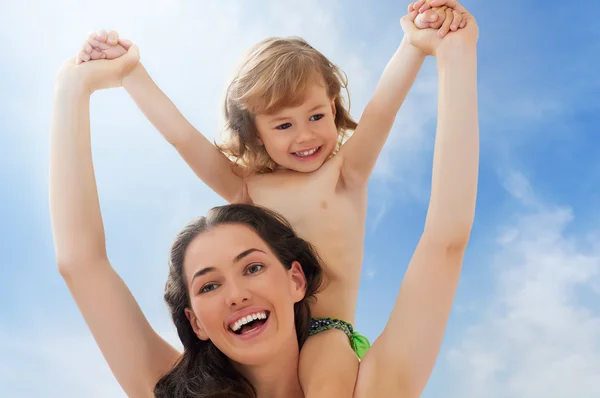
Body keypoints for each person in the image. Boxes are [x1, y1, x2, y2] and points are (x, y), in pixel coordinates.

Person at [50, 0, 479, 396]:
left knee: (326, 367)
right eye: (210, 284)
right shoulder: (248, 189)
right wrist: (127, 75)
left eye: (253, 266)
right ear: (194, 321)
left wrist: (418, 46)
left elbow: (385, 114)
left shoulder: (344, 174)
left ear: (296, 277)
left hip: (330, 328)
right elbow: (183, 140)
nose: (306, 135)